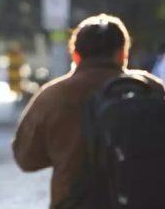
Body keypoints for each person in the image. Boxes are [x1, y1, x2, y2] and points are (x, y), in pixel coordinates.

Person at [11, 14, 164, 209]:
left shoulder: (53, 96)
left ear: (75, 54)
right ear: (122, 53)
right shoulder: (148, 88)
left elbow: (26, 159)